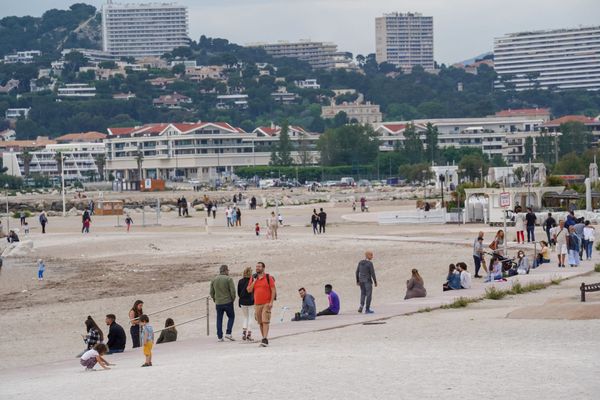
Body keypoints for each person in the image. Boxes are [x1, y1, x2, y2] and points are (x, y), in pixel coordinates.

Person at [247, 261, 276, 347]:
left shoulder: (268, 277)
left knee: (265, 320)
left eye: (259, 267)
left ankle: (265, 338)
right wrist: (254, 282)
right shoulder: (253, 278)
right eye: (256, 267)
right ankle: (264, 338)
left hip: (266, 303)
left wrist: (271, 302)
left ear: (263, 268)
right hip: (257, 304)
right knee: (260, 322)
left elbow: (273, 290)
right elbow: (249, 290)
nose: (257, 268)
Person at [210, 264, 237, 342]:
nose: (228, 272)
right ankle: (228, 333)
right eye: (227, 270)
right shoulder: (229, 279)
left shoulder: (214, 279)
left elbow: (211, 292)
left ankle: (219, 336)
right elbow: (233, 291)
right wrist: (233, 299)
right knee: (231, 317)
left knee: (219, 319)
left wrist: (214, 299)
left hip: (218, 303)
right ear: (225, 271)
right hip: (228, 301)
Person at [237, 267, 255, 341]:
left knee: (245, 317)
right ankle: (249, 335)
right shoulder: (252, 281)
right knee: (250, 317)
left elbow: (238, 292)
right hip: (250, 301)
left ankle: (244, 333)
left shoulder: (240, 281)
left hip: (243, 301)